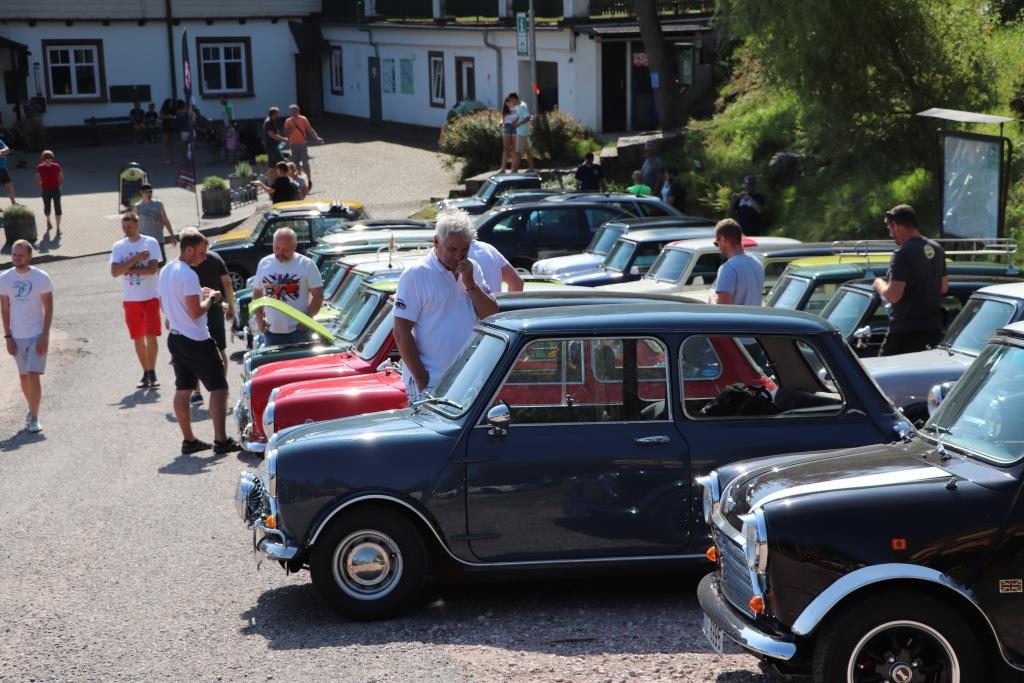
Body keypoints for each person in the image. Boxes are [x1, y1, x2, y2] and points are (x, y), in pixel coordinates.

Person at [393, 208, 499, 398]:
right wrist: (423, 380)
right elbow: (401, 332)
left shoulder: (472, 268)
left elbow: (491, 316)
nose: (458, 257)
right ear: (436, 242)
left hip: (468, 378)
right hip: (432, 381)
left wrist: (470, 283)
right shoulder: (416, 274)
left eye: (464, 250)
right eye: (452, 249)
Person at [157, 228, 240, 455]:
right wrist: (211, 298)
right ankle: (221, 440)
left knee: (183, 388)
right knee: (219, 387)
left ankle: (189, 440)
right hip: (196, 339)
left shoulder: (167, 270)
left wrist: (197, 295)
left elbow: (166, 303)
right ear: (189, 250)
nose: (204, 258)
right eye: (202, 253)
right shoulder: (188, 274)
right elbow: (195, 312)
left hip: (176, 337)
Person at [872, 204, 948, 357]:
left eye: (890, 228)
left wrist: (879, 284)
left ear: (897, 226)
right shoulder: (937, 249)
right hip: (933, 332)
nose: (891, 234)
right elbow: (943, 287)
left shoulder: (902, 254)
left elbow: (894, 295)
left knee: (880, 371)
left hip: (904, 334)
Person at [0, 240, 53, 433]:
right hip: (17, 335)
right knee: (23, 377)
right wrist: (8, 336)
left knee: (32, 374)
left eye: (21, 255)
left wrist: (45, 336)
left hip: (37, 334)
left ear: (30, 256)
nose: (17, 258)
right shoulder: (4, 278)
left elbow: (48, 309)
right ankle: (31, 409)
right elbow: (5, 309)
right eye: (14, 255)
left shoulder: (41, 278)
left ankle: (35, 418)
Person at [110, 212, 162, 389]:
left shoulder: (150, 242)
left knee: (151, 335)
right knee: (138, 338)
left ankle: (152, 372)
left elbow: (152, 269)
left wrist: (127, 269)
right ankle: (146, 373)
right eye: (124, 227)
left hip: (150, 297)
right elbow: (115, 272)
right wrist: (137, 259)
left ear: (137, 225)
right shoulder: (118, 246)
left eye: (130, 227)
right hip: (130, 300)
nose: (127, 230)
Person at [253, 227, 324, 347]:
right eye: (277, 248)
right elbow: (257, 294)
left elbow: (318, 295)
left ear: (294, 246)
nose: (280, 252)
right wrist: (259, 321)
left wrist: (307, 321)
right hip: (271, 332)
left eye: (285, 249)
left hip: (300, 332)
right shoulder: (264, 263)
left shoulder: (307, 265)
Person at [188, 244, 235, 406]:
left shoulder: (185, 263)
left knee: (193, 354)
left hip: (193, 312)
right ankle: (222, 389)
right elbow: (227, 282)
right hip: (214, 310)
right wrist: (231, 307)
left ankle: (197, 393)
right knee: (220, 352)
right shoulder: (214, 257)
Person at [712, 218, 763, 306]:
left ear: (723, 240)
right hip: (755, 315)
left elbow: (721, 309)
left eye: (717, 243)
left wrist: (711, 300)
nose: (718, 248)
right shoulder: (757, 264)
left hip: (736, 316)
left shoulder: (728, 268)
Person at [133, 184, 177, 264]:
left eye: (150, 192)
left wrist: (172, 235)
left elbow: (165, 220)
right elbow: (133, 224)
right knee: (146, 264)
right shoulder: (138, 206)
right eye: (146, 192)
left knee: (161, 263)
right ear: (141, 193)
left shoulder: (158, 204)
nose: (149, 194)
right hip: (144, 241)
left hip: (158, 239)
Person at [284, 104, 323, 190]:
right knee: (296, 164)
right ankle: (300, 182)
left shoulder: (303, 119)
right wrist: (292, 128)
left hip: (302, 144)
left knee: (305, 163)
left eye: (295, 111)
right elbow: (286, 134)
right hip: (293, 145)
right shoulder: (288, 121)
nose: (294, 113)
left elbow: (310, 129)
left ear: (298, 111)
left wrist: (317, 138)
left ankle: (309, 179)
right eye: (292, 112)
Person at [36, 150, 63, 232]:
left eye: (51, 157)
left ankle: (58, 227)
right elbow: (38, 178)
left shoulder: (56, 166)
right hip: (45, 190)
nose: (49, 159)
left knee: (58, 207)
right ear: (43, 159)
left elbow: (61, 176)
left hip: (56, 189)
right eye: (47, 157)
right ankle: (48, 220)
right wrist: (40, 186)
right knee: (47, 207)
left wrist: (60, 186)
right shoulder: (40, 167)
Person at [262, 106, 287, 184]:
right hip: (272, 147)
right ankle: (283, 183)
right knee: (282, 163)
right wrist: (284, 139)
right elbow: (272, 135)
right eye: (277, 113)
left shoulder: (271, 121)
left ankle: (271, 185)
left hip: (272, 147)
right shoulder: (269, 122)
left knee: (272, 167)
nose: (279, 114)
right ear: (274, 114)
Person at [510, 92, 534, 172]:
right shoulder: (519, 106)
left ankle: (514, 170)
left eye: (511, 100)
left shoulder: (522, 106)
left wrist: (518, 124)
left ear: (514, 98)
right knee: (527, 150)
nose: (511, 102)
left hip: (522, 132)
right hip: (521, 131)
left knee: (518, 152)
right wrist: (515, 121)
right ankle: (531, 168)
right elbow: (520, 117)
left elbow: (527, 117)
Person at [500, 95, 517, 172]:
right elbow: (503, 119)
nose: (508, 103)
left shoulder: (517, 108)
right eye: (506, 102)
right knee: (505, 148)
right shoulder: (505, 110)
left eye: (509, 101)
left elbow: (520, 117)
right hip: (507, 127)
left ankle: (513, 168)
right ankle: (503, 168)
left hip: (515, 127)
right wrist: (501, 122)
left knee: (514, 148)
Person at [159, 98, 176, 165]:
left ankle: (172, 158)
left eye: (172, 103)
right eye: (170, 103)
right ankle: (166, 159)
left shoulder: (173, 109)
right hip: (166, 127)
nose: (171, 104)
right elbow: (160, 117)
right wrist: (168, 116)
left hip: (172, 127)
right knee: (166, 143)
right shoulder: (164, 109)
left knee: (172, 143)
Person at [0, 136, 15, 204]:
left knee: (9, 186)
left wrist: (1, 151)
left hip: (3, 168)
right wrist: (3, 153)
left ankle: (14, 203)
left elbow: (7, 150)